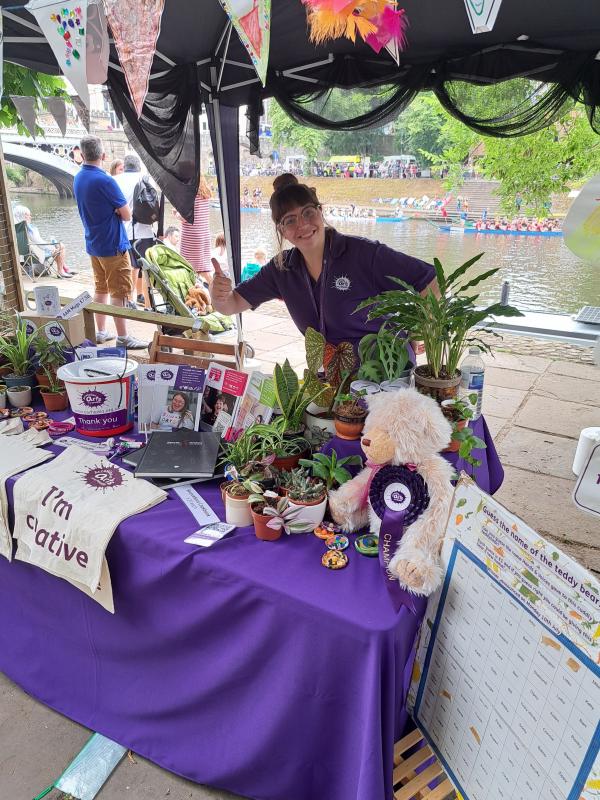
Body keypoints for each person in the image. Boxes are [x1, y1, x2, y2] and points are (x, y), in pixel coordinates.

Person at [211, 174, 438, 357]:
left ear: (320, 211)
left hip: (387, 373)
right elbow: (231, 305)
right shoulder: (281, 269)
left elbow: (431, 279)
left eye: (308, 212)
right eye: (290, 220)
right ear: (282, 231)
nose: (302, 224)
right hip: (333, 378)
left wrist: (419, 329)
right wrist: (217, 295)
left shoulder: (363, 254)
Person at [73, 135, 147, 349]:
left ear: (82, 154)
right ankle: (124, 337)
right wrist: (118, 210)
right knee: (120, 291)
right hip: (113, 244)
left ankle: (102, 331)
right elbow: (126, 215)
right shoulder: (105, 180)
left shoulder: (79, 177)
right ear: (103, 155)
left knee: (101, 288)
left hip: (93, 244)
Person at [113, 153, 156, 306]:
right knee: (146, 270)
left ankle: (129, 300)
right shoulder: (146, 178)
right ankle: (149, 304)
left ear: (125, 167)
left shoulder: (115, 180)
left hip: (123, 231)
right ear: (138, 166)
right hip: (145, 231)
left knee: (128, 268)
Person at [13, 205, 76, 279]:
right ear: (23, 216)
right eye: (28, 215)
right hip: (35, 254)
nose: (30, 217)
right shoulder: (28, 228)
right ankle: (61, 271)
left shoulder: (14, 228)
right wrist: (52, 247)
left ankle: (65, 268)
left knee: (56, 246)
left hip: (25, 254)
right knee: (60, 246)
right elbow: (40, 244)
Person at [175, 177, 213, 283]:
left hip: (191, 237)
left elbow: (184, 217)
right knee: (202, 269)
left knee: (186, 267)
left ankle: (191, 294)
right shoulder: (206, 193)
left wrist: (176, 213)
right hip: (204, 235)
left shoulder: (189, 194)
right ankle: (216, 293)